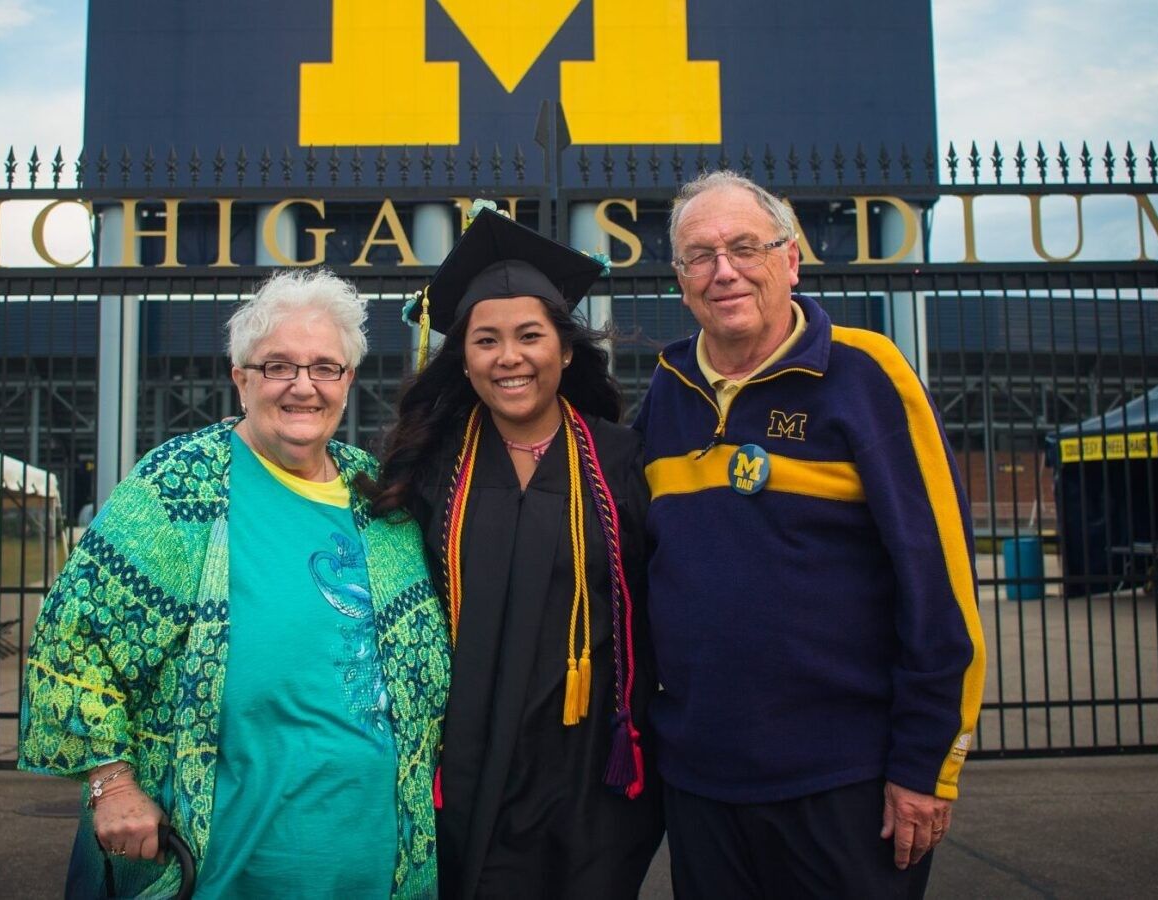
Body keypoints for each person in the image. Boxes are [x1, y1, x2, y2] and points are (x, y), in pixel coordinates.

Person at [18, 269, 451, 899]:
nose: (303, 386)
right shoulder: (178, 486)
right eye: (278, 365)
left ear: (348, 381)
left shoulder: (378, 495)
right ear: (240, 377)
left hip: (377, 862)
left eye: (325, 367)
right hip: (226, 863)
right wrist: (112, 783)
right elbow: (74, 638)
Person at [632, 170, 986, 898]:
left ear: (791, 260)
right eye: (700, 255)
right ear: (680, 279)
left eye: (744, 247)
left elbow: (939, 586)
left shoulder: (867, 376)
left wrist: (926, 766)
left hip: (846, 782)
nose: (723, 270)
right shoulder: (665, 395)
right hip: (702, 785)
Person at [362, 206, 663, 899]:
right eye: (485, 340)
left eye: (530, 336)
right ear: (463, 361)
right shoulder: (431, 469)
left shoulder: (624, 461)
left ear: (563, 348)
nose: (509, 358)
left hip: (590, 773)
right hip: (466, 764)